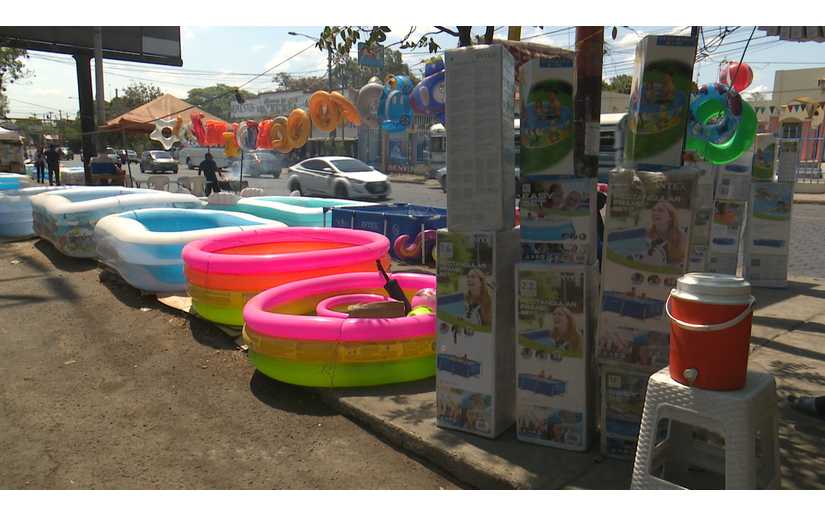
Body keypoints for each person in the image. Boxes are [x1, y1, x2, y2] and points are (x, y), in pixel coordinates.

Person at [647, 201, 685, 265]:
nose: (655, 213)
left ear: (671, 217)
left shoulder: (681, 237)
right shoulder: (645, 235)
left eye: (660, 210)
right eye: (653, 210)